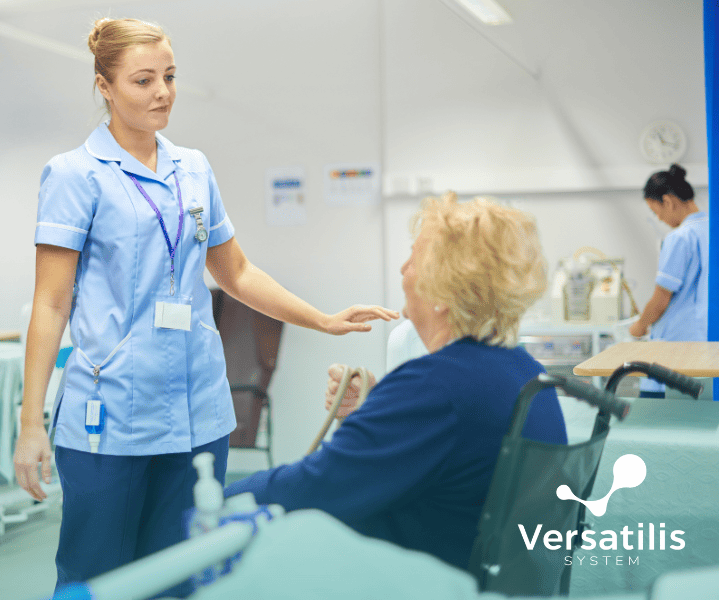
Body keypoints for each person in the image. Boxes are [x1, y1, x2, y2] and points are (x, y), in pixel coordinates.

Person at [12, 17, 399, 592]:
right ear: (105, 86)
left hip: (198, 411)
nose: (162, 92)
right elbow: (51, 303)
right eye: (143, 80)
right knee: (94, 576)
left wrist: (320, 318)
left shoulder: (192, 168)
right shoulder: (75, 176)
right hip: (110, 416)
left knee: (186, 572)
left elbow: (236, 272)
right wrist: (30, 423)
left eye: (169, 77)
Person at [225, 193, 568, 571]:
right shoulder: (525, 372)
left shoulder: (436, 386)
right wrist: (376, 412)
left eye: (414, 260)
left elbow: (316, 489)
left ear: (443, 291)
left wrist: (218, 500)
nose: (403, 268)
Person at [628, 164, 708, 398]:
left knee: (659, 416)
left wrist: (639, 327)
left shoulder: (680, 238)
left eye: (656, 212)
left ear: (668, 201)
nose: (660, 219)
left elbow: (662, 298)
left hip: (677, 345)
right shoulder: (712, 230)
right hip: (706, 342)